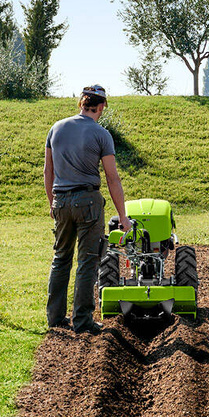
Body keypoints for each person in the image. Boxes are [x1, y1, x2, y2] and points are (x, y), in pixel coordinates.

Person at [44, 85, 132, 334]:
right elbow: (112, 178)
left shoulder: (56, 128)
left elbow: (47, 171)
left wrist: (52, 201)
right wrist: (123, 217)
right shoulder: (101, 134)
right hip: (88, 202)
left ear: (81, 103)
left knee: (61, 258)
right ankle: (82, 321)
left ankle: (55, 319)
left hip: (60, 200)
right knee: (87, 261)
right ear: (101, 106)